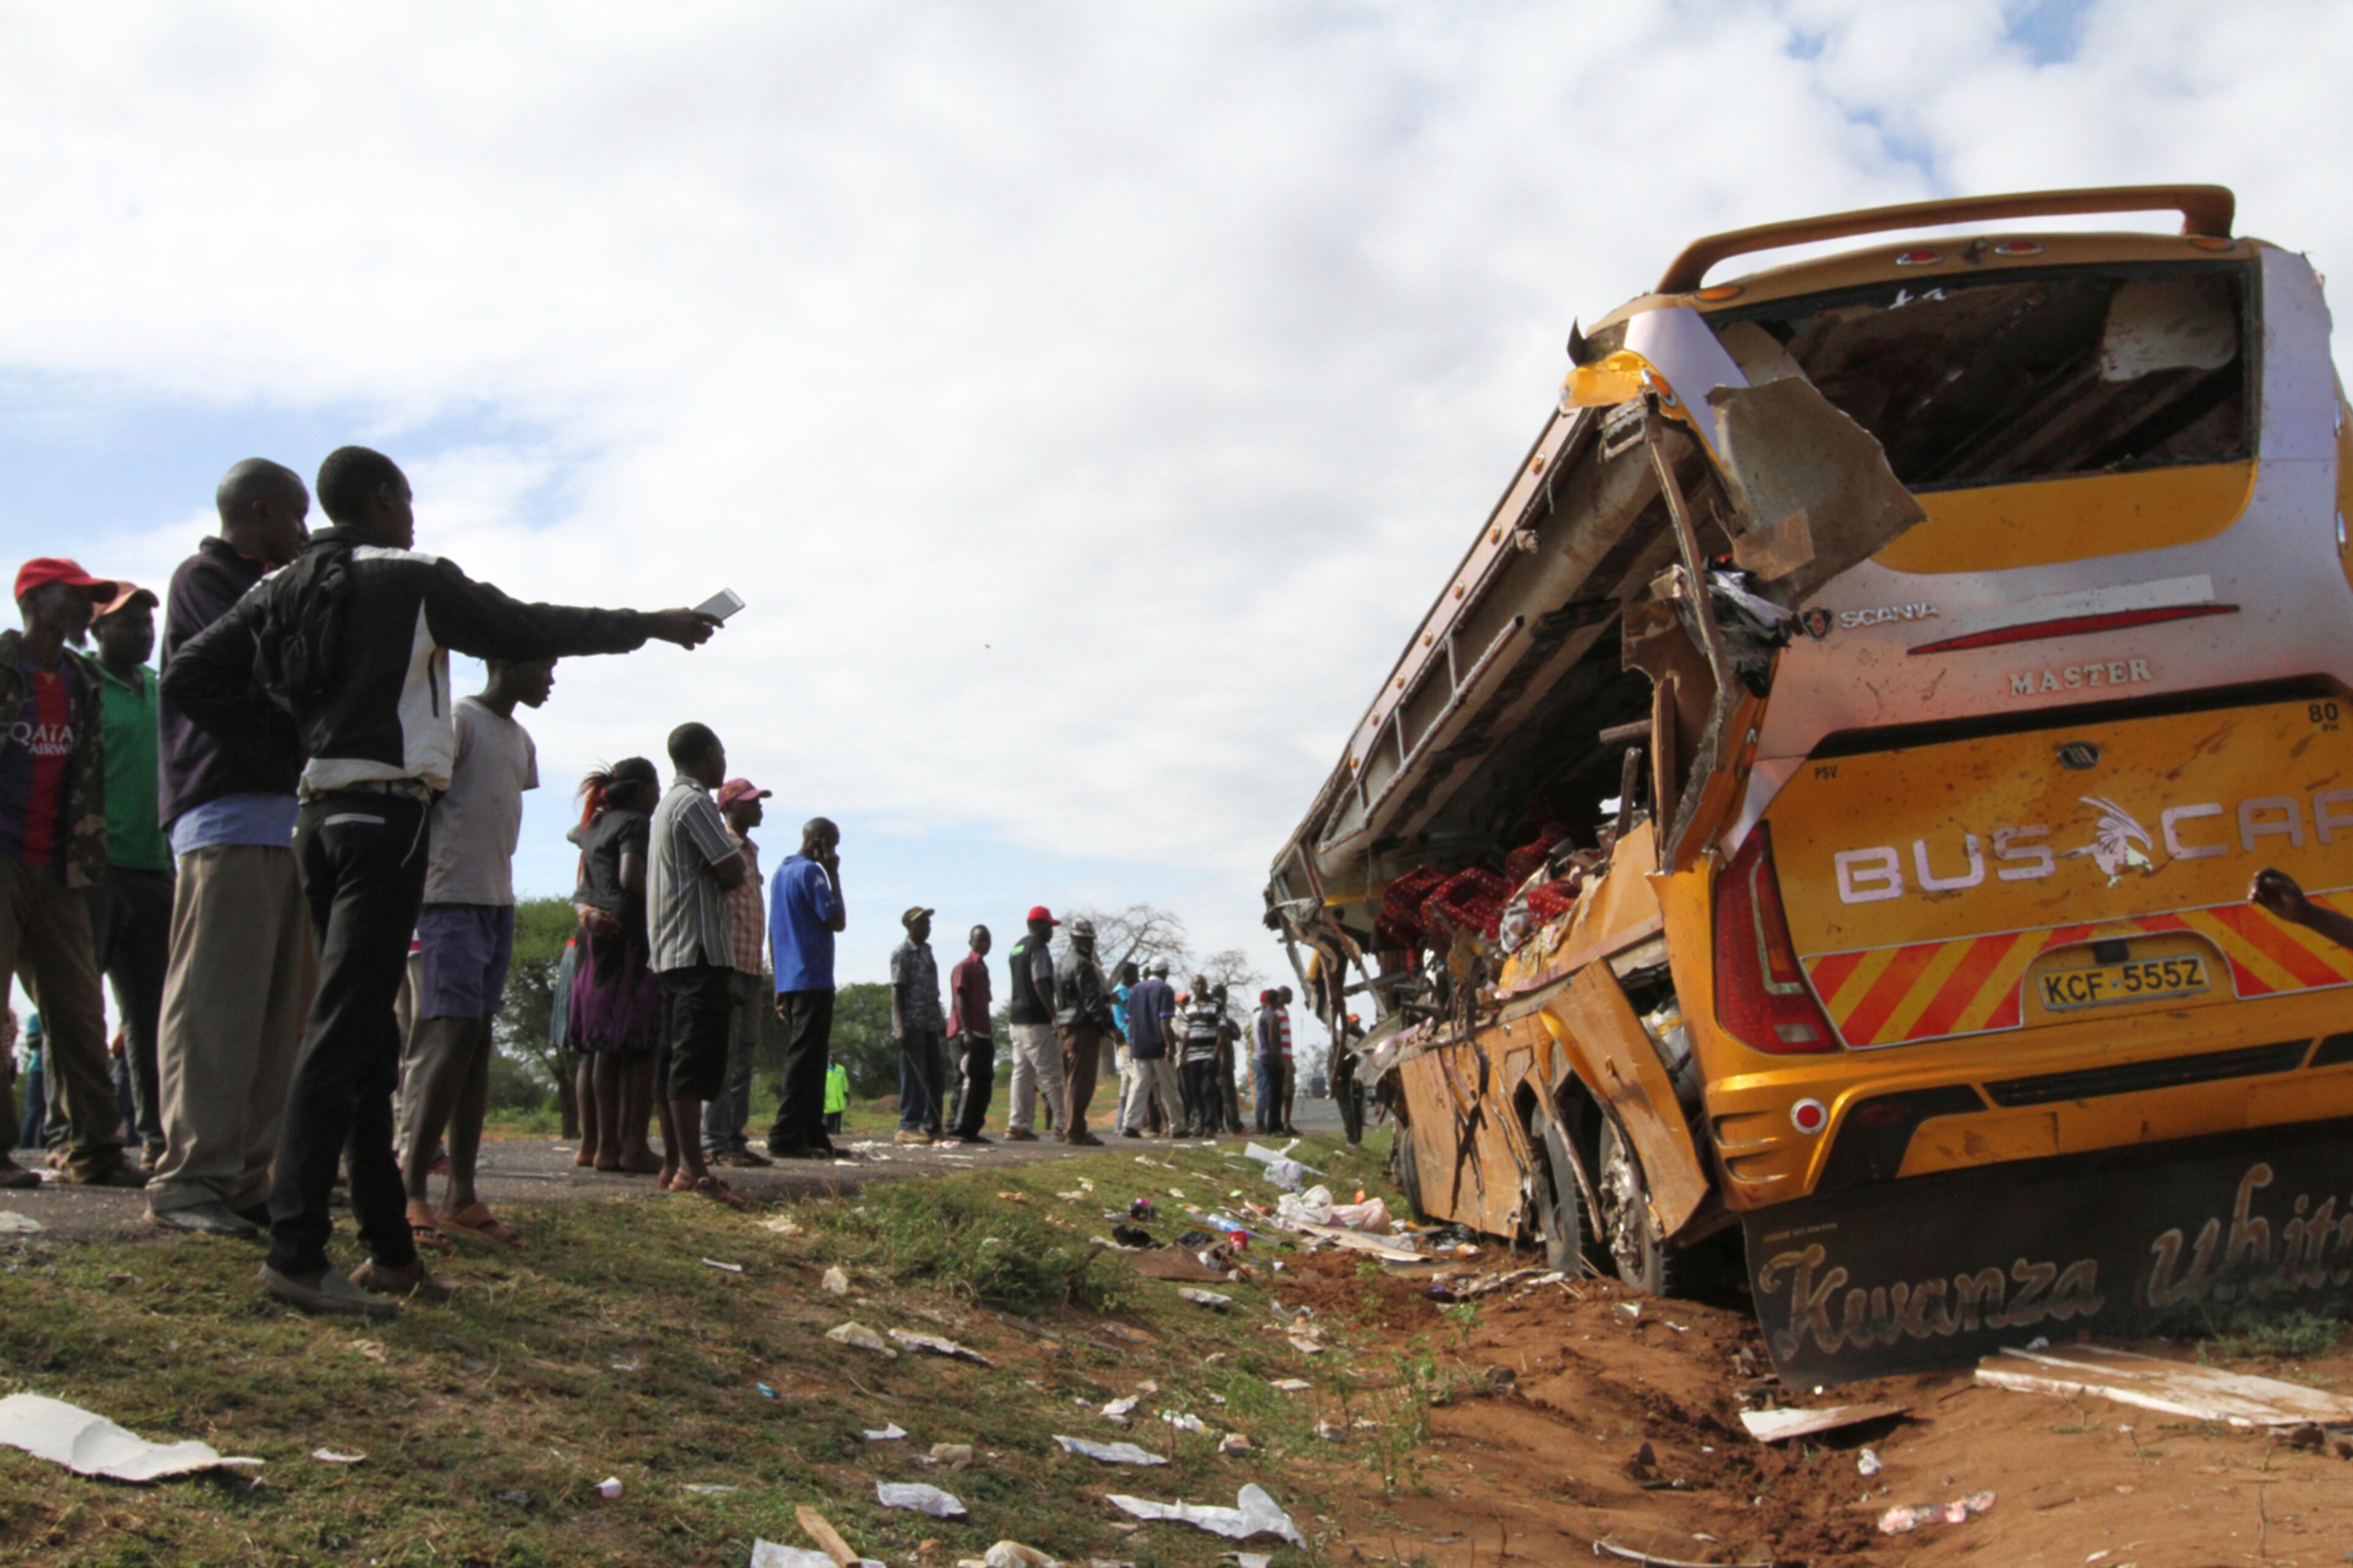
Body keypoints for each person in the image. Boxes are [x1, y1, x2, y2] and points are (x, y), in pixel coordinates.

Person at [164, 445, 722, 1316]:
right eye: (409, 499)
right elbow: (527, 624)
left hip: (315, 817)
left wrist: (291, 744)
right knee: (340, 1033)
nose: (414, 516)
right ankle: (296, 1252)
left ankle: (391, 1253)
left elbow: (191, 672)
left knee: (368, 1042)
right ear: (383, 501)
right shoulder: (411, 576)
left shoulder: (282, 585)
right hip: (385, 820)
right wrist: (647, 622)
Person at [147, 460, 318, 1238]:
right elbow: (257, 671)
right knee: (216, 1009)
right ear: (256, 515)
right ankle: (191, 1179)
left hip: (283, 821)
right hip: (226, 817)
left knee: (278, 1016)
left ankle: (248, 1178)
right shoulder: (205, 580)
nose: (303, 535)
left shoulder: (273, 584)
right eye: (293, 518)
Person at [397, 656, 553, 1254]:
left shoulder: (522, 740)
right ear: (503, 662)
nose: (549, 679)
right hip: (447, 900)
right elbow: (425, 803)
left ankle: (460, 1193)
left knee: (478, 1041)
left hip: (495, 901)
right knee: (450, 1036)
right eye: (542, 666)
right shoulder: (458, 720)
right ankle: (412, 1188)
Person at [0, 558, 143, 1190]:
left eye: (91, 599)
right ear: (34, 598)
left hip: (62, 865)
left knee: (82, 1009)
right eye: (75, 596)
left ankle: (98, 1151)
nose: (86, 609)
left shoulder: (84, 680)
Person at [85, 583, 173, 1169]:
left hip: (156, 867)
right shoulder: (81, 685)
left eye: (147, 624)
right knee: (78, 1008)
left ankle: (158, 1139)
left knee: (151, 1013)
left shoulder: (160, 692)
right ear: (96, 632)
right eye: (127, 624)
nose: (142, 633)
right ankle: (86, 1138)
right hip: (92, 869)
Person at [645, 722, 751, 1206]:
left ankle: (675, 1164)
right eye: (722, 752)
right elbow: (733, 870)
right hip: (699, 949)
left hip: (671, 951)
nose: (724, 761)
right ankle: (694, 1169)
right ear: (707, 754)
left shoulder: (668, 805)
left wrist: (723, 864)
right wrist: (726, 864)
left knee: (673, 1060)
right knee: (691, 1062)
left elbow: (724, 866)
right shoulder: (694, 803)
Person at [570, 763, 664, 1175]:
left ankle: (599, 1147)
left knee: (602, 1046)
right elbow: (630, 876)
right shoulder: (637, 823)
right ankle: (633, 1147)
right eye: (656, 786)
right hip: (630, 937)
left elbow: (585, 865)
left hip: (594, 938)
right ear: (642, 790)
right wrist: (665, 902)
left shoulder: (593, 824)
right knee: (641, 1046)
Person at [703, 778, 773, 1168]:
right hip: (728, 967)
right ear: (729, 807)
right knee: (723, 1058)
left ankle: (735, 1137)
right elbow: (719, 913)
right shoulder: (724, 846)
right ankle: (714, 1142)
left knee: (745, 1058)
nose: (759, 808)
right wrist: (725, 972)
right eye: (752, 803)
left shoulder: (751, 851)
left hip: (749, 968)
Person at [767, 817, 845, 1159]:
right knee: (805, 1059)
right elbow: (837, 920)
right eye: (833, 844)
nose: (836, 852)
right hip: (812, 975)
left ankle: (814, 1133)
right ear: (819, 842)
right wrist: (834, 874)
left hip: (791, 977)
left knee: (812, 1059)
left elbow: (772, 930)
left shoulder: (781, 873)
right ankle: (785, 1135)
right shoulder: (813, 873)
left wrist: (779, 982)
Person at [1051, 917, 1115, 1145]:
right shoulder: (1083, 964)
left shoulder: (1061, 963)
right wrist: (1111, 1028)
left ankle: (1069, 1126)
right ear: (1077, 938)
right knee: (1082, 1080)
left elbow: (1068, 997)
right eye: (1087, 939)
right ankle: (1075, 1130)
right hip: (1083, 1027)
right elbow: (1091, 1003)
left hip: (1066, 1026)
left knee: (1071, 1079)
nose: (1090, 943)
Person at [1002, 907, 1063, 1143]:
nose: (1052, 932)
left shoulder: (1016, 948)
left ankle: (1017, 1125)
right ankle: (1065, 1125)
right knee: (1052, 1076)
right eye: (1049, 926)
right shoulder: (1038, 947)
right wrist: (1054, 1015)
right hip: (1037, 1021)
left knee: (1022, 1075)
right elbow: (1040, 981)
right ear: (1038, 926)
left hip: (1016, 1020)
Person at [890, 907, 945, 1145]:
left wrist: (941, 1021)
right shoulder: (902, 953)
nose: (927, 927)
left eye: (928, 923)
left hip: (930, 1022)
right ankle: (908, 1125)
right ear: (909, 927)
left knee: (936, 1076)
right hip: (912, 1023)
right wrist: (899, 1026)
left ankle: (932, 1126)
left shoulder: (927, 951)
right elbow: (897, 991)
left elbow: (933, 991)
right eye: (922, 923)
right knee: (914, 1076)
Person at [1120, 958, 1181, 1139]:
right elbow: (1164, 1020)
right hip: (1158, 1045)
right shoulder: (1165, 990)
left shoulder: (1136, 990)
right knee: (1169, 1087)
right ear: (1165, 972)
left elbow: (1129, 1021)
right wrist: (1170, 1046)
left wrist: (1131, 1045)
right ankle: (1177, 1126)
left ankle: (1130, 1124)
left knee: (1138, 1086)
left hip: (1139, 1045)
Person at [945, 925, 995, 1144]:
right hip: (966, 1034)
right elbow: (960, 1000)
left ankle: (972, 1129)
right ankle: (956, 1128)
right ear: (971, 942)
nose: (984, 944)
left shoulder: (983, 969)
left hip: (983, 1033)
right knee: (966, 1081)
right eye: (979, 940)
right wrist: (966, 1032)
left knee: (983, 1083)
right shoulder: (964, 967)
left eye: (987, 940)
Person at [1176, 978, 1224, 1139]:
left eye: (1203, 984)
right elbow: (1186, 1034)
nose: (1200, 987)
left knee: (1208, 1090)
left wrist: (1216, 1054)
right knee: (1195, 1092)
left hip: (1209, 1055)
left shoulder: (1216, 1006)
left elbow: (1222, 1031)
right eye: (1196, 984)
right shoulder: (1189, 1009)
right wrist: (1182, 1055)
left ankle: (1210, 1125)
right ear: (1192, 987)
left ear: (1207, 986)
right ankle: (1202, 1124)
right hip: (1192, 1057)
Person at [12, 1012, 43, 1169]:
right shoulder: (35, 1018)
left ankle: (43, 1149)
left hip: (56, 1073)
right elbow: (32, 1042)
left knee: (48, 1115)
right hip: (37, 1071)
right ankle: (25, 1149)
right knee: (34, 1112)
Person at [1213, 983, 1245, 1134]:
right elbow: (1233, 1034)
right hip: (1221, 1060)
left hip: (1216, 1060)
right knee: (1227, 1094)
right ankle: (1233, 1124)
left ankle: (1221, 1123)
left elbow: (1237, 1034)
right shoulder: (1219, 1014)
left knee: (1219, 1094)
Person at [1332, 1012, 1367, 1145]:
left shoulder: (1360, 1037)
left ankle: (1357, 1138)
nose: (1358, 1025)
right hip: (1342, 1074)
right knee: (1347, 1108)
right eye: (1354, 1023)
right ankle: (1352, 1138)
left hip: (1356, 1075)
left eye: (1358, 1022)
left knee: (1358, 1108)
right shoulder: (1340, 1038)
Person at [1252, 990, 1285, 1136]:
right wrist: (1279, 1059)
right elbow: (1273, 1039)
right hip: (1272, 1057)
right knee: (1276, 1094)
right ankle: (1274, 1127)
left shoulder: (1261, 1016)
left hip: (1263, 1056)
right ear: (1276, 1001)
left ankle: (1274, 1125)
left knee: (1269, 1092)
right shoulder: (1272, 1016)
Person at [823, 1060, 849, 1135]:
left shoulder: (841, 1069)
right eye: (831, 1056)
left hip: (839, 1103)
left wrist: (847, 1093)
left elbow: (844, 1082)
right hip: (828, 1104)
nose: (832, 1059)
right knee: (827, 1126)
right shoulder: (823, 1069)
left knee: (837, 1127)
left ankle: (837, 1139)